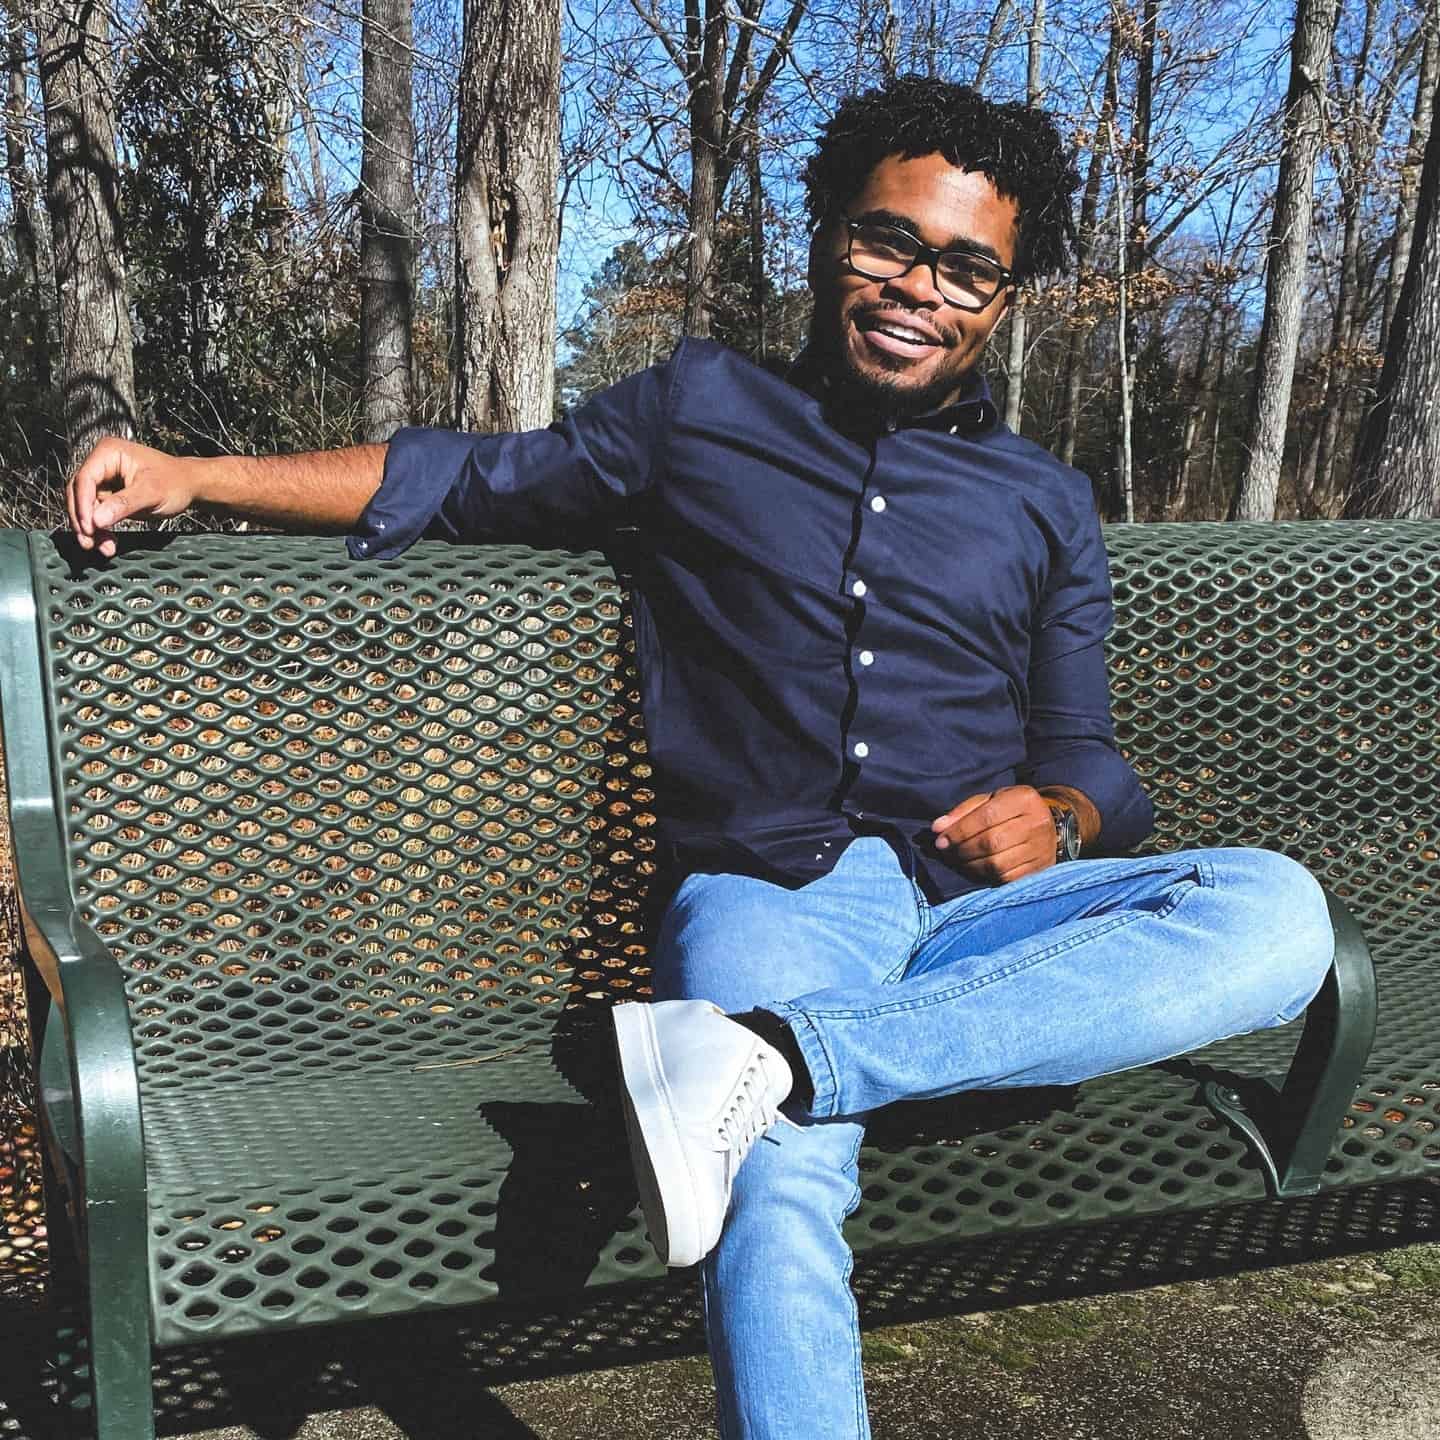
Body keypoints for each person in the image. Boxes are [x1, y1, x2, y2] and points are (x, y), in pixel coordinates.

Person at [68, 77, 1333, 1440]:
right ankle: (776, 1070)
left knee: (1280, 916)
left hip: (986, 917)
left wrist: (1068, 821)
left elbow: (1092, 756)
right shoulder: (699, 411)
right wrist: (201, 474)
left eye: (968, 267)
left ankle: (764, 1057)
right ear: (825, 237)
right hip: (774, 891)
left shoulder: (1043, 500)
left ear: (1005, 298)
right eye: (887, 242)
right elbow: (469, 477)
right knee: (774, 1183)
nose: (920, 287)